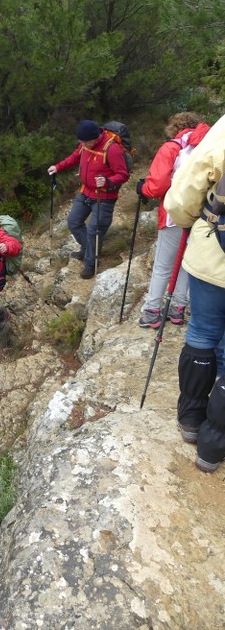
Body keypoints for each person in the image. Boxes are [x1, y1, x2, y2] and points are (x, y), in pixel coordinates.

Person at [164, 114, 225, 472]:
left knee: (202, 331)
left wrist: (191, 219)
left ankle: (190, 419)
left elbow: (185, 192)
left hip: (214, 254)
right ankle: (213, 445)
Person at [136, 112, 211, 328]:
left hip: (174, 214)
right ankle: (178, 308)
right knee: (187, 262)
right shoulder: (207, 147)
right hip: (202, 215)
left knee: (163, 265)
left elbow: (157, 185)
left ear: (176, 127)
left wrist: (143, 188)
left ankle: (152, 311)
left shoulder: (172, 148)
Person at [47, 120, 130, 279]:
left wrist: (108, 181)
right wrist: (58, 167)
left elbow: (123, 174)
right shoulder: (85, 145)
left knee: (94, 231)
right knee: (73, 222)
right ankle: (88, 248)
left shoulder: (111, 149)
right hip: (86, 192)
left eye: (85, 142)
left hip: (104, 197)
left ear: (96, 138)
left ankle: (90, 264)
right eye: (81, 142)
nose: (82, 145)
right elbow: (74, 157)